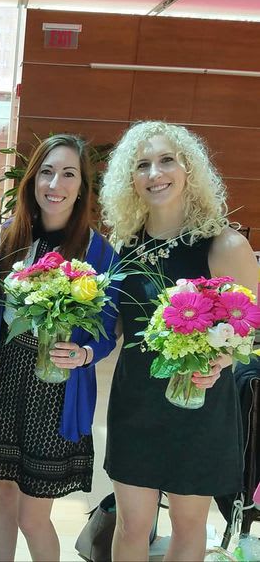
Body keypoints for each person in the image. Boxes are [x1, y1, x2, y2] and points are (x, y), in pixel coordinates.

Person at [99, 121, 258, 561]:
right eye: (142, 165)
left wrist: (222, 361)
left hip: (200, 407)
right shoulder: (124, 246)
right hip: (135, 404)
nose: (155, 173)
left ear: (189, 168)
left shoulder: (224, 245)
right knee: (131, 525)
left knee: (189, 528)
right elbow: (116, 325)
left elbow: (252, 327)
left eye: (166, 160)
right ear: (130, 179)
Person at [0, 134, 120, 562]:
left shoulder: (98, 252)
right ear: (33, 180)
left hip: (55, 389)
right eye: (47, 172)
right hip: (5, 380)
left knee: (33, 516)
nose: (55, 184)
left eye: (68, 174)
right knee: (0, 492)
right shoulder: (12, 236)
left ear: (82, 187)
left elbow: (107, 329)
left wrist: (84, 354)